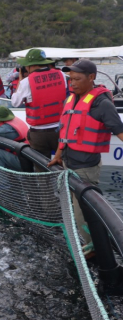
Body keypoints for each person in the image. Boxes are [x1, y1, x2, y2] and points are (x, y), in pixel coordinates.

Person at [47, 59, 123, 254]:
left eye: (77, 79)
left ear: (92, 77)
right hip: (68, 163)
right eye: (70, 79)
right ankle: (92, 242)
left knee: (83, 213)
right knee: (74, 209)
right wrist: (57, 155)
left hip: (86, 168)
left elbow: (119, 131)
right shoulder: (71, 99)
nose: (72, 83)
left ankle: (97, 249)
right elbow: (64, 132)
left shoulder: (102, 104)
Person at [11, 48, 67, 171]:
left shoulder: (26, 82)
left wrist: (20, 82)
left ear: (30, 66)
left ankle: (45, 189)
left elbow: (15, 102)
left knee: (42, 169)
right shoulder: (61, 75)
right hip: (60, 130)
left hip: (38, 134)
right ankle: (67, 189)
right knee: (64, 166)